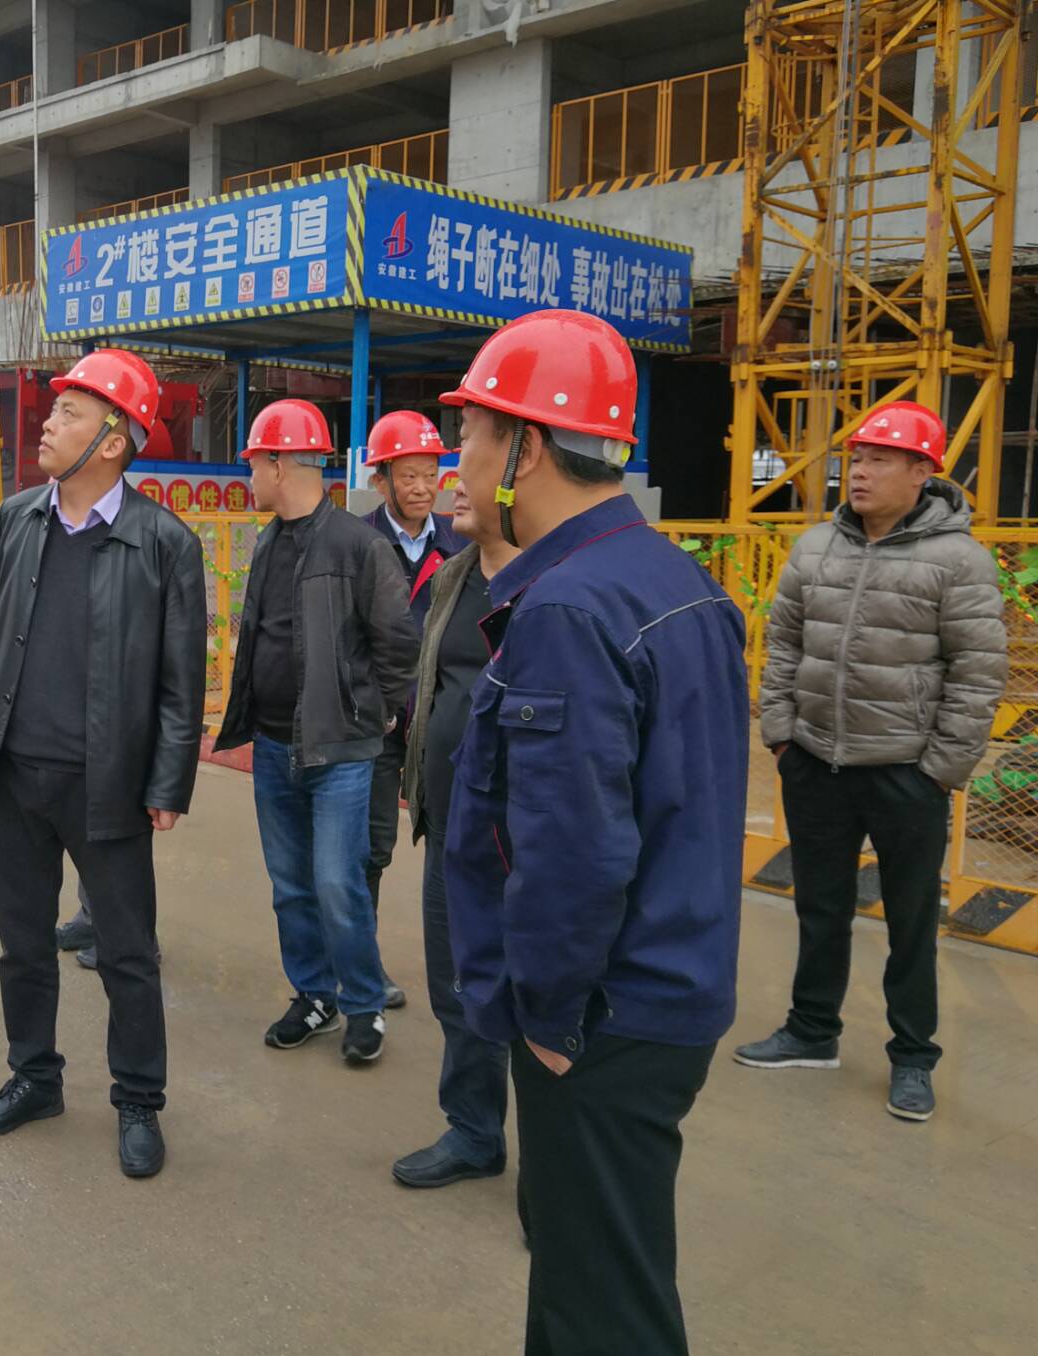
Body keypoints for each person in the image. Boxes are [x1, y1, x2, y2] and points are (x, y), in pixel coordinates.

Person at [440, 310, 748, 1356]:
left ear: (524, 448)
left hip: (605, 1016)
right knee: (597, 1271)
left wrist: (550, 1021)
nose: (460, 459)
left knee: (599, 1307)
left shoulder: (567, 609)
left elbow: (569, 852)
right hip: (671, 982)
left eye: (471, 435)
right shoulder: (670, 576)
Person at [0, 349, 206, 1178]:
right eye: (55, 410)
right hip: (18, 774)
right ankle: (35, 1078)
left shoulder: (165, 542)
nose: (48, 424)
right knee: (22, 944)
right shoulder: (17, 520)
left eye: (69, 413)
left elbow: (181, 680)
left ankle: (139, 1099)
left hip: (109, 783)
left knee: (127, 954)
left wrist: (168, 781)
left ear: (114, 441)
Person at [736, 399, 1006, 1123]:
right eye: (856, 459)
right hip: (815, 762)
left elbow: (978, 675)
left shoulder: (959, 561)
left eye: (879, 460)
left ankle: (912, 1056)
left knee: (911, 923)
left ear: (922, 472)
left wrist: (938, 770)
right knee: (820, 906)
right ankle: (811, 1031)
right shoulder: (816, 547)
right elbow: (783, 642)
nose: (859, 472)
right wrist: (783, 732)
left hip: (905, 773)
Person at [214, 399, 417, 1065]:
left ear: (279, 463)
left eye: (254, 463)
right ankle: (314, 995)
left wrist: (374, 713)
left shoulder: (359, 546)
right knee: (292, 886)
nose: (249, 476)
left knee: (336, 883)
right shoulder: (269, 541)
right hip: (275, 747)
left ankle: (363, 1003)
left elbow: (398, 644)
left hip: (341, 753)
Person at [392, 467, 518, 1190]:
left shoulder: (553, 584)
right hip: (449, 824)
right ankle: (474, 1130)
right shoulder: (453, 577)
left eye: (475, 474)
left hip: (525, 836)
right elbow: (431, 681)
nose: (454, 489)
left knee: (541, 996)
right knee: (457, 986)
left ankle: (559, 1161)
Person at [361, 410, 468, 1010]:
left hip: (437, 719)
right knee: (370, 850)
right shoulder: (357, 543)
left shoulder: (460, 544)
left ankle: (461, 971)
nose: (424, 488)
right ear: (381, 480)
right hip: (375, 722)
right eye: (409, 477)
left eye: (431, 474)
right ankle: (363, 967)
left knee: (454, 843)